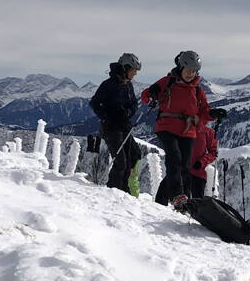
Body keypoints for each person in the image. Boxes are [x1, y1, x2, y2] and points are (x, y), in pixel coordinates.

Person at [141, 50, 210, 207]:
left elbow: (205, 111)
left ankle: (185, 199)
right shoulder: (168, 81)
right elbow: (145, 96)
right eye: (188, 70)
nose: (190, 74)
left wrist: (212, 113)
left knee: (185, 165)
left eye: (194, 71)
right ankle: (177, 196)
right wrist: (152, 92)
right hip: (167, 126)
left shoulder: (197, 89)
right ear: (180, 67)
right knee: (174, 158)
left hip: (188, 131)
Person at [89, 53, 141, 192]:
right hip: (111, 128)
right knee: (121, 162)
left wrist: (128, 112)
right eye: (133, 71)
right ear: (125, 68)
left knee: (133, 156)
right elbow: (94, 103)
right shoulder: (108, 85)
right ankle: (114, 190)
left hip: (124, 126)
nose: (134, 74)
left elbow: (134, 104)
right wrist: (106, 116)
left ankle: (123, 189)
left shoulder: (128, 85)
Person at [188, 108, 227, 199]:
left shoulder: (208, 132)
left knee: (197, 203)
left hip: (197, 173)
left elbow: (213, 153)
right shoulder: (183, 129)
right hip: (182, 171)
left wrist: (201, 162)